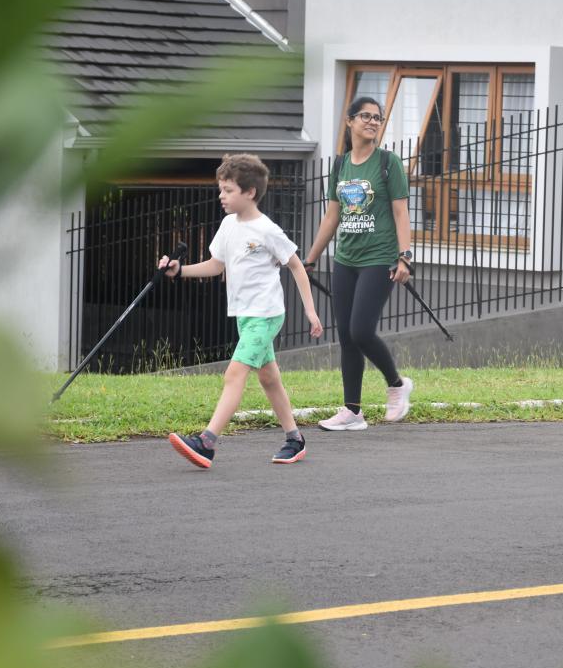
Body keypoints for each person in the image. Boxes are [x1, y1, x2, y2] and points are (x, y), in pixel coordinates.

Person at [161, 154, 323, 467]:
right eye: (221, 189)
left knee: (235, 374)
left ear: (249, 192)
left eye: (228, 190)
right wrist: (179, 270)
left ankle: (207, 442)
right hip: (245, 315)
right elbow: (215, 265)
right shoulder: (227, 226)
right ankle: (294, 438)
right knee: (269, 379)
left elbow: (295, 265)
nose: (221, 195)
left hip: (266, 315)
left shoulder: (267, 230)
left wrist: (311, 311)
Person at [304, 96, 415, 431]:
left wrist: (405, 256)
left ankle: (397, 385)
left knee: (362, 330)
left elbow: (400, 211)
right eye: (365, 116)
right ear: (349, 121)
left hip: (379, 258)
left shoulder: (387, 162)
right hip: (346, 260)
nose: (372, 122)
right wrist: (310, 258)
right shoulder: (340, 165)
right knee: (346, 337)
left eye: (377, 118)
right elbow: (332, 216)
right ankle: (352, 412)